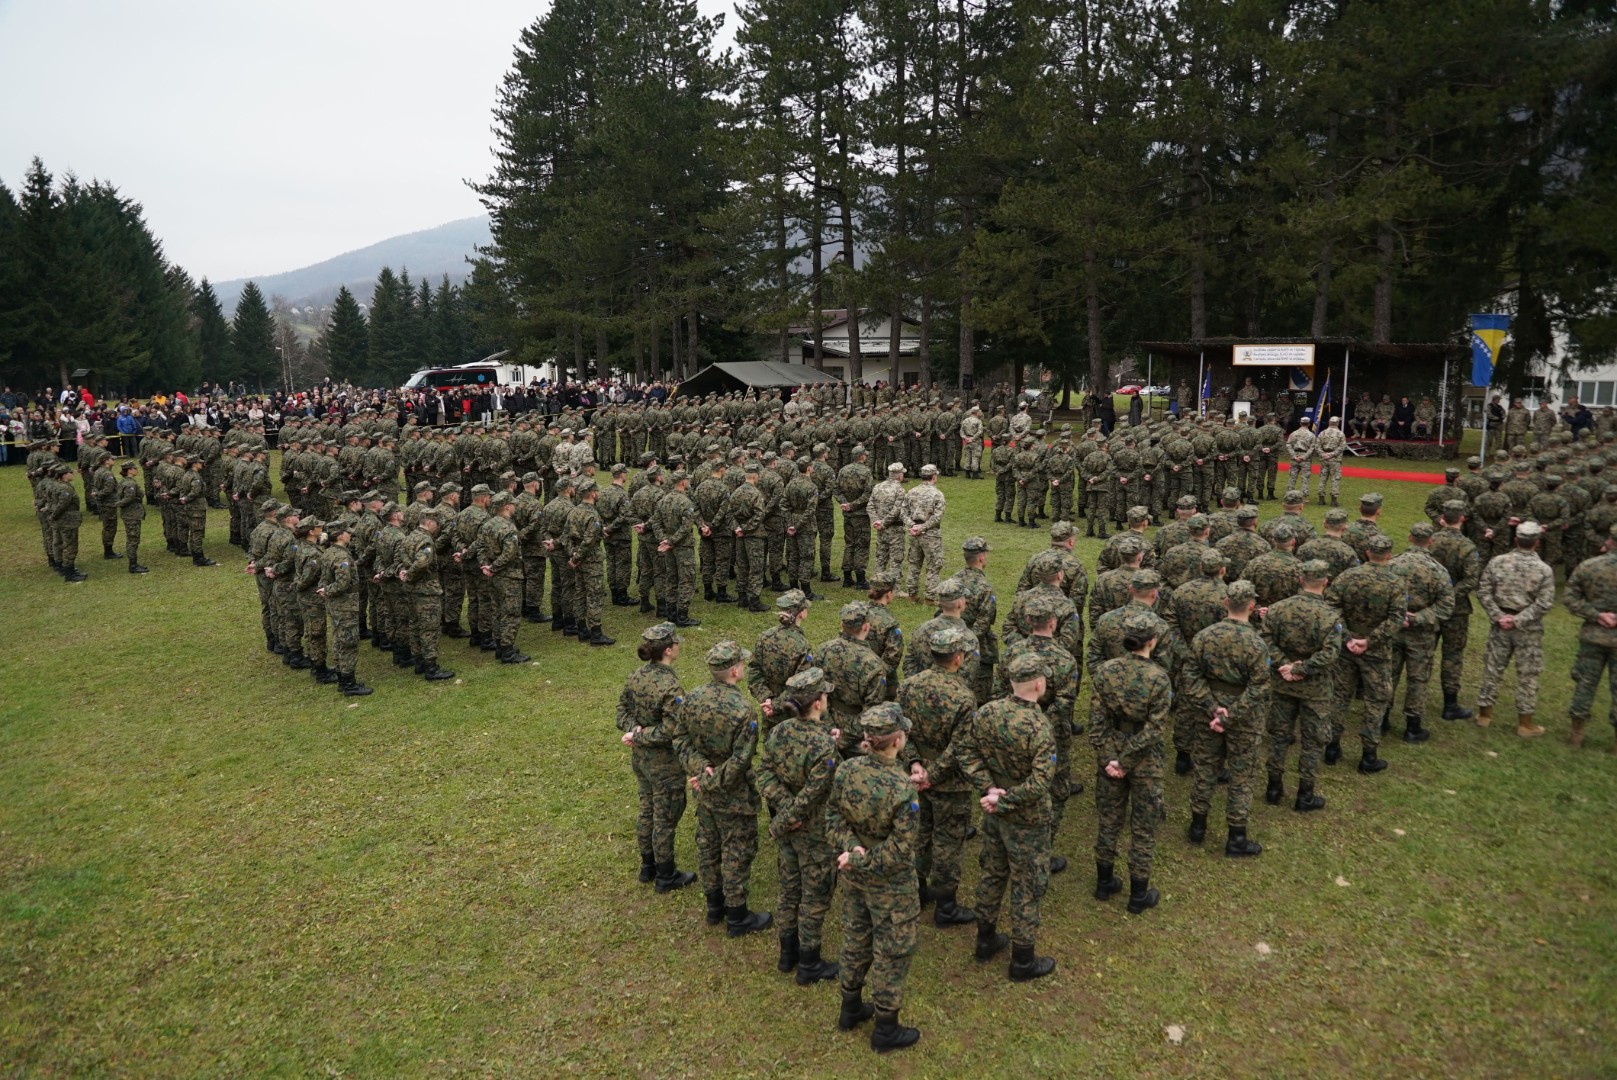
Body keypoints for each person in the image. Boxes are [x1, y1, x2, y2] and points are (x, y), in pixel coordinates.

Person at [826, 702, 922, 1052]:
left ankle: (850, 1008)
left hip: (853, 876)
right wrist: (861, 858)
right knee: (892, 951)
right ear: (897, 740)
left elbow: (833, 819)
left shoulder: (847, 770)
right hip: (891, 886)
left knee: (855, 939)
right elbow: (900, 850)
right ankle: (885, 1028)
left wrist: (852, 852)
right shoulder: (902, 788)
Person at [672, 640, 773, 937]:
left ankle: (715, 905)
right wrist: (711, 779)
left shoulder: (693, 698)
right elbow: (740, 761)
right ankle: (737, 916)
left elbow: (680, 739)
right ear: (734, 671)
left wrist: (700, 771)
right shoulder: (743, 711)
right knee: (736, 851)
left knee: (708, 845)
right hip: (733, 795)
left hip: (703, 791)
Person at [757, 667, 842, 985]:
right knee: (815, 898)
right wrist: (790, 817)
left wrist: (782, 815)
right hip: (814, 831)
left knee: (789, 890)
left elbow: (764, 774)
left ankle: (787, 953)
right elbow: (813, 795)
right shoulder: (824, 747)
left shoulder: (778, 732)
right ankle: (809, 964)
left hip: (788, 830)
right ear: (818, 702)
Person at [1089, 611, 1172, 915]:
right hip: (1145, 757)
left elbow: (1096, 722)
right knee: (1142, 826)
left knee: (1109, 819)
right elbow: (1155, 728)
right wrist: (1126, 760)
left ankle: (1104, 882)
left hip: (1111, 750)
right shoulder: (1159, 678)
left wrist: (1110, 759)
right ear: (1152, 641)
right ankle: (1139, 894)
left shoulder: (1106, 672)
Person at [897, 624, 980, 927]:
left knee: (919, 833)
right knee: (948, 841)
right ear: (958, 657)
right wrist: (933, 773)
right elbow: (961, 745)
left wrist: (915, 763)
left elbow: (902, 730)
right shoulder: (963, 696)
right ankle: (946, 907)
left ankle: (917, 891)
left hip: (916, 776)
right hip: (950, 782)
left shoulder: (909, 686)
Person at [1181, 581, 1270, 856]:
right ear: (1252, 606)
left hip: (1209, 713)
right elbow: (1260, 687)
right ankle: (1236, 837)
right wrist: (1232, 715)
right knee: (1241, 775)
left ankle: (1197, 826)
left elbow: (1191, 676)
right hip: (1243, 718)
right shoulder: (1256, 643)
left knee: (1205, 768)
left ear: (1225, 603)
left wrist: (1212, 709)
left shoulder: (1204, 636)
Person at [617, 623, 698, 893]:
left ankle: (647, 866)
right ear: (667, 650)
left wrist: (634, 731)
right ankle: (666, 875)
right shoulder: (670, 686)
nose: (678, 646)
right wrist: (640, 735)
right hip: (664, 763)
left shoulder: (635, 676)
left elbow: (622, 711)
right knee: (664, 817)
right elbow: (673, 728)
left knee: (647, 809)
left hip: (640, 759)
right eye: (676, 643)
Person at [1261, 560, 1342, 812]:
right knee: (1312, 741)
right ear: (1326, 582)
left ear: (1300, 581)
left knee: (1279, 736)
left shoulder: (1277, 609)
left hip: (1282, 684)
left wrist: (1286, 666)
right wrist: (1300, 668)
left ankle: (1273, 788)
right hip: (1315, 688)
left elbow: (1264, 640)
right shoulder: (1329, 615)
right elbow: (1331, 653)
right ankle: (1305, 794)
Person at [1326, 534, 1407, 773]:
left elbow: (1331, 608)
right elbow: (1396, 619)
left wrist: (1348, 637)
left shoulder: (1347, 577)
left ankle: (1331, 747)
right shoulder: (1395, 583)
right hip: (1377, 652)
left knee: (1339, 696)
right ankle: (1368, 755)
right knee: (1376, 700)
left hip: (1346, 648)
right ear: (1389, 555)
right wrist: (1370, 641)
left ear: (1367, 553)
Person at [1564, 523, 1617, 750]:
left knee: (1585, 683)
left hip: (1593, 636)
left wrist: (1596, 615)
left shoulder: (1589, 566)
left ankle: (1576, 735)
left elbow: (1570, 598)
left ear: (1610, 540)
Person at [748, 590, 815, 737]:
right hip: (791, 712)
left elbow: (754, 672)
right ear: (802, 613)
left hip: (768, 709)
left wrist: (767, 698)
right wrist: (776, 705)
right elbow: (801, 685)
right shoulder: (801, 645)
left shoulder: (764, 637)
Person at [399, 513, 455, 681]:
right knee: (429, 628)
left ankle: (419, 662)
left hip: (411, 590)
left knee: (415, 626)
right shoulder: (426, 540)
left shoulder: (409, 537)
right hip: (426, 591)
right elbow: (422, 562)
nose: (438, 527)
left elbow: (403, 558)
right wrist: (410, 574)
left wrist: (406, 573)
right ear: (429, 523)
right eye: (436, 524)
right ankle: (431, 667)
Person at [319, 520, 372, 696]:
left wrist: (325, 590)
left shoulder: (328, 553)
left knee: (339, 639)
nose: (350, 535)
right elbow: (342, 583)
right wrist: (328, 590)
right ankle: (349, 683)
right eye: (348, 532)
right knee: (348, 642)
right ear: (341, 535)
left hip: (336, 605)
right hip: (345, 604)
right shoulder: (342, 557)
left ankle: (343, 678)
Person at [114, 460, 148, 574]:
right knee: (133, 540)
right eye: (134, 468)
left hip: (129, 513)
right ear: (129, 470)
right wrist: (118, 504)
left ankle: (133, 564)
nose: (136, 470)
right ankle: (133, 565)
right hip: (132, 514)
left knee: (132, 539)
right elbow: (129, 498)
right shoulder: (130, 484)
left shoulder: (124, 481)